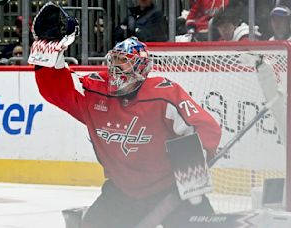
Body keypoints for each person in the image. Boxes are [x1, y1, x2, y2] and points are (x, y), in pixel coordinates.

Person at [29, 3, 221, 228]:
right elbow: (57, 90)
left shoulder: (163, 94)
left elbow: (205, 128)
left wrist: (192, 183)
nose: (116, 72)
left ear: (141, 70)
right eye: (115, 64)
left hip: (172, 190)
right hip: (122, 191)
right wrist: (48, 58)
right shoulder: (95, 91)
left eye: (125, 65)